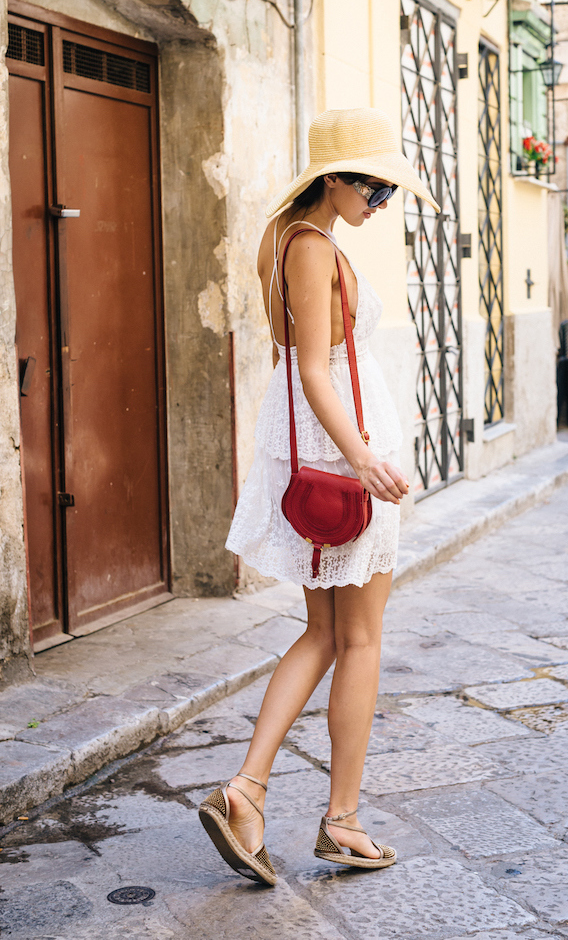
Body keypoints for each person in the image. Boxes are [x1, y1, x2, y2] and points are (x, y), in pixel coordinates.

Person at [197, 108, 440, 885]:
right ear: (331, 179)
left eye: (389, 191)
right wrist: (367, 458)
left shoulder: (287, 236)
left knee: (326, 634)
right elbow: (312, 368)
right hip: (339, 461)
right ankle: (337, 820)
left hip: (320, 456)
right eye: (373, 186)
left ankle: (247, 792)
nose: (381, 201)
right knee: (359, 638)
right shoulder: (310, 245)